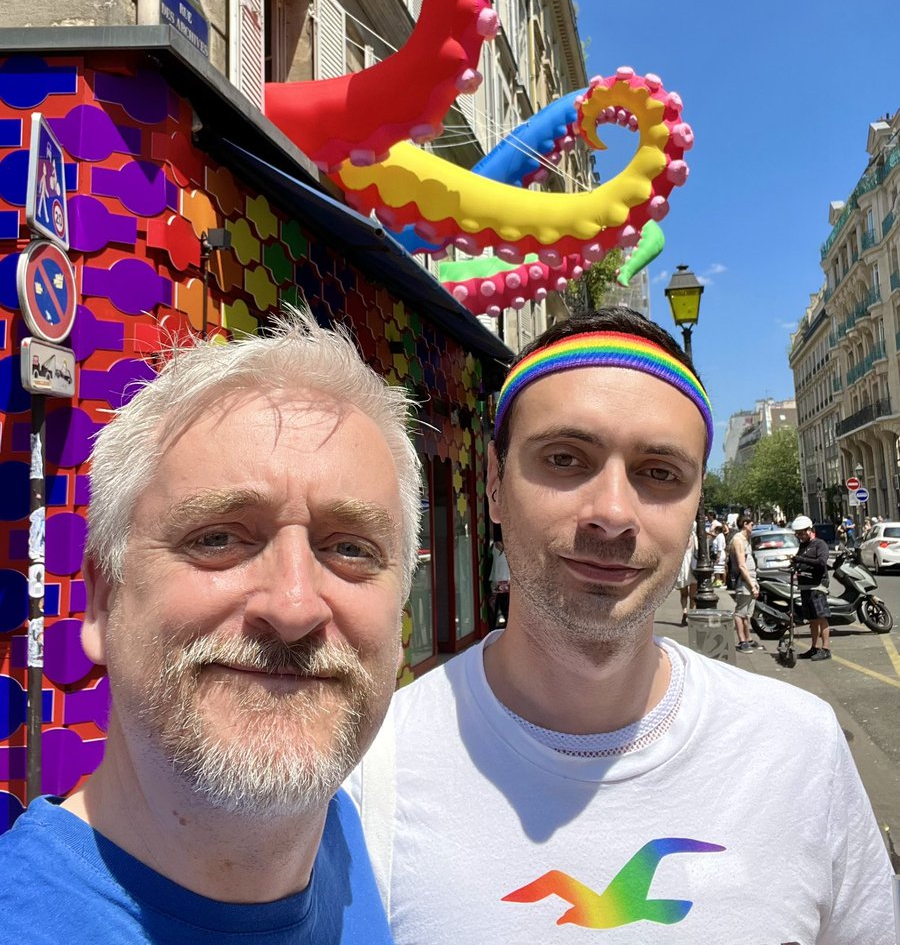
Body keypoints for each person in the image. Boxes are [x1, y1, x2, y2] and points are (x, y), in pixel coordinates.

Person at [348, 307, 894, 943]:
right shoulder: (368, 767)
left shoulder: (799, 749)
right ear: (494, 486)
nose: (611, 513)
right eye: (564, 458)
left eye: (659, 473)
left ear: (695, 505)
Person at [0, 308, 422, 943]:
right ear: (102, 601)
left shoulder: (338, 833)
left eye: (351, 550)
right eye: (219, 537)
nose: (295, 605)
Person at [792, 514, 832, 661]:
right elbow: (799, 560)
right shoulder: (803, 546)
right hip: (805, 586)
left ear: (810, 530)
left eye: (802, 533)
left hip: (817, 586)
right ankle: (814, 647)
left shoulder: (820, 544)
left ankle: (826, 648)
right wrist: (794, 564)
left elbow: (822, 562)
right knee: (812, 619)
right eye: (798, 534)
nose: (800, 536)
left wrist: (801, 559)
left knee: (821, 617)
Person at [728, 516, 761, 652]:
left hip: (751, 578)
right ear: (745, 524)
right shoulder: (738, 540)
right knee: (740, 612)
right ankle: (742, 641)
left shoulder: (745, 540)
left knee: (747, 613)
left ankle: (748, 638)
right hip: (744, 580)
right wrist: (751, 585)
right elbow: (742, 565)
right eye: (751, 524)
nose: (753, 527)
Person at [675, 529, 697, 626]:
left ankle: (685, 610)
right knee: (693, 596)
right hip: (692, 566)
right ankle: (692, 616)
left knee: (684, 594)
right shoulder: (695, 538)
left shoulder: (679, 537)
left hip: (682, 566)